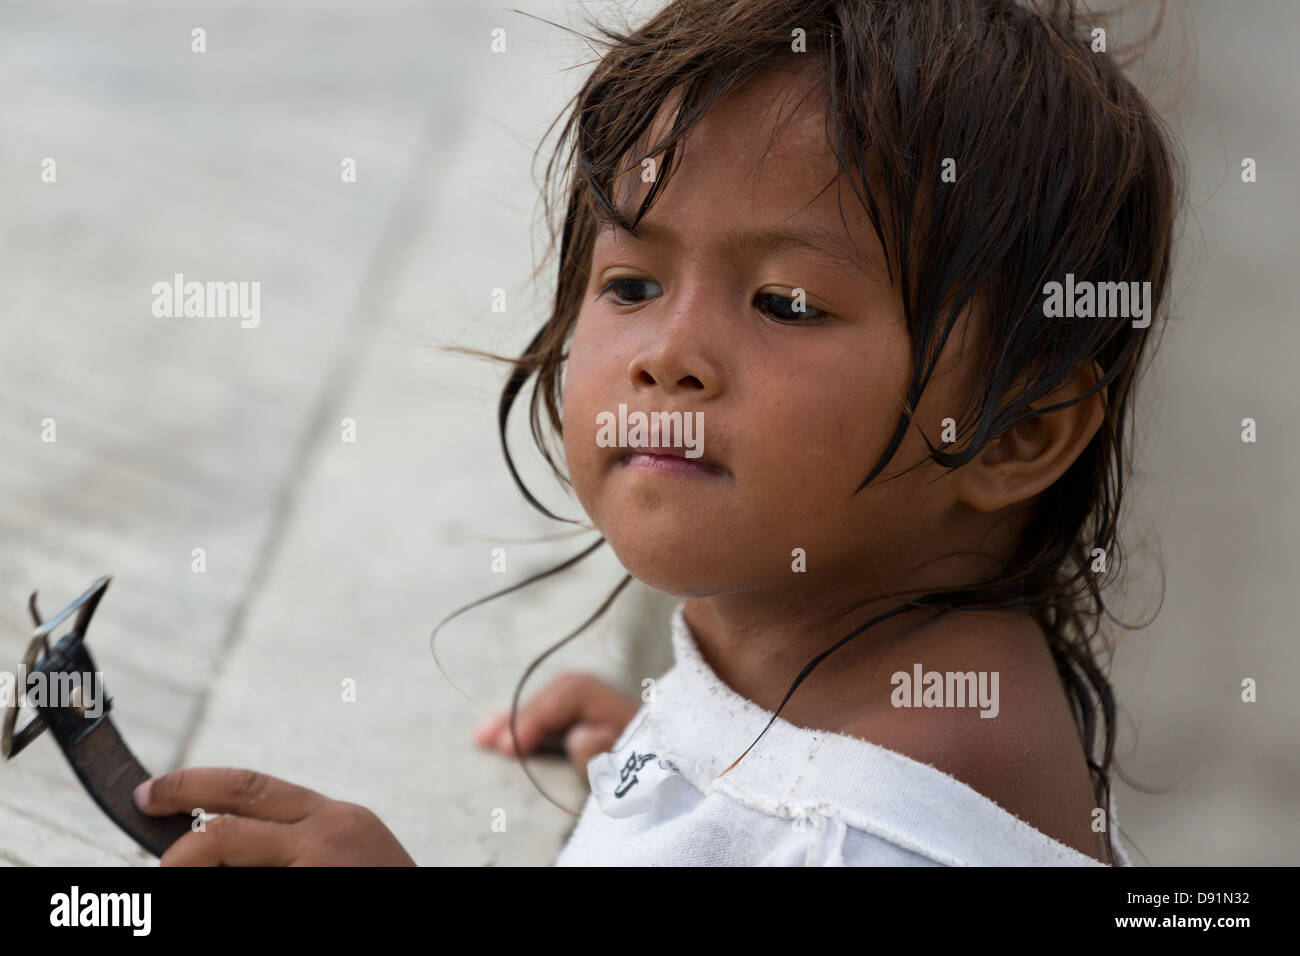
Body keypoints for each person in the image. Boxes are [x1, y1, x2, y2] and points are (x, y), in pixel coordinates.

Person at [134, 0, 1179, 866]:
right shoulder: (861, 689)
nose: (666, 355)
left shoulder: (851, 837)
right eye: (632, 283)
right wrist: (688, 763)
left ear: (1016, 434)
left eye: (786, 303)